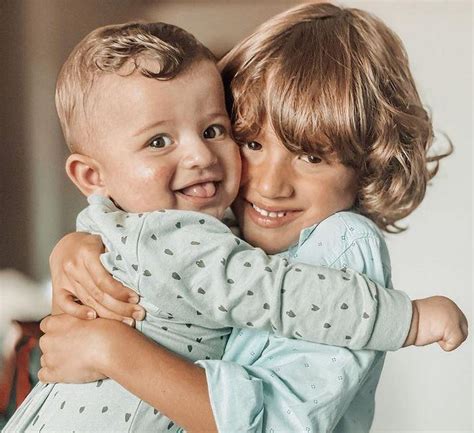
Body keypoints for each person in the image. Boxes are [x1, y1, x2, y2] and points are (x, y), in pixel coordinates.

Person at [6, 4, 468, 433]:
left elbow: (276, 417)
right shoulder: (213, 221)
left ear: (367, 162)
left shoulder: (340, 241)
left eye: (310, 156)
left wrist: (109, 350)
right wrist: (77, 245)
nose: (270, 185)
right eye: (251, 142)